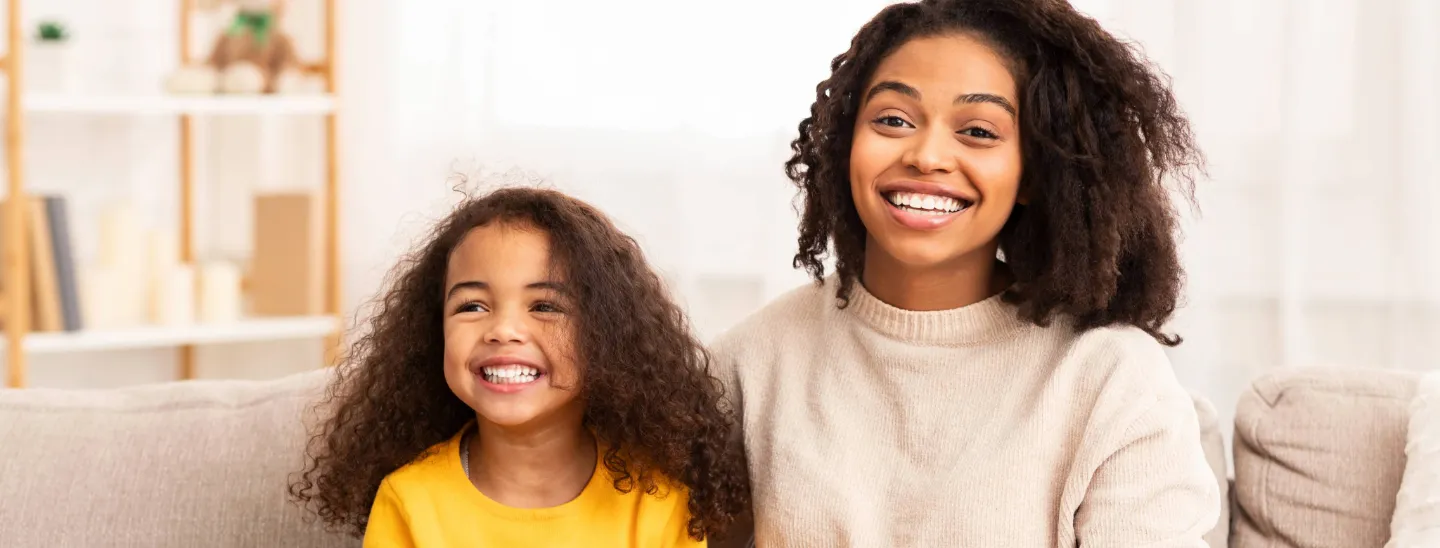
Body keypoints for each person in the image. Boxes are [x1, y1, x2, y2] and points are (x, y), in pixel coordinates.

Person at [709, 0, 1220, 546]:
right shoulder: (753, 361)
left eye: (978, 131)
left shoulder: (1109, 377)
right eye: (893, 120)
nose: (927, 156)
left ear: (1032, 174)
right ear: (845, 145)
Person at [289, 186, 750, 547]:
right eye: (471, 306)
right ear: (433, 334)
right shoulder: (409, 500)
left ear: (607, 336)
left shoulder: (656, 500)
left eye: (545, 306)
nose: (503, 330)